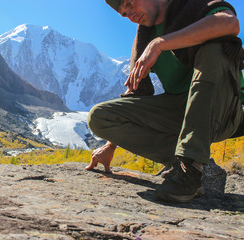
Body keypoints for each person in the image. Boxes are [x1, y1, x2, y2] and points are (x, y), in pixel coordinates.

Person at [86, 0, 244, 203]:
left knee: (214, 48)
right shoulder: (143, 37)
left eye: (130, 4)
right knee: (99, 117)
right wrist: (110, 146)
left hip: (222, 109)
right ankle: (189, 164)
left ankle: (190, 166)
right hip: (181, 110)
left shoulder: (191, 5)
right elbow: (136, 92)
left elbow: (230, 24)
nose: (131, 15)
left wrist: (160, 43)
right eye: (124, 14)